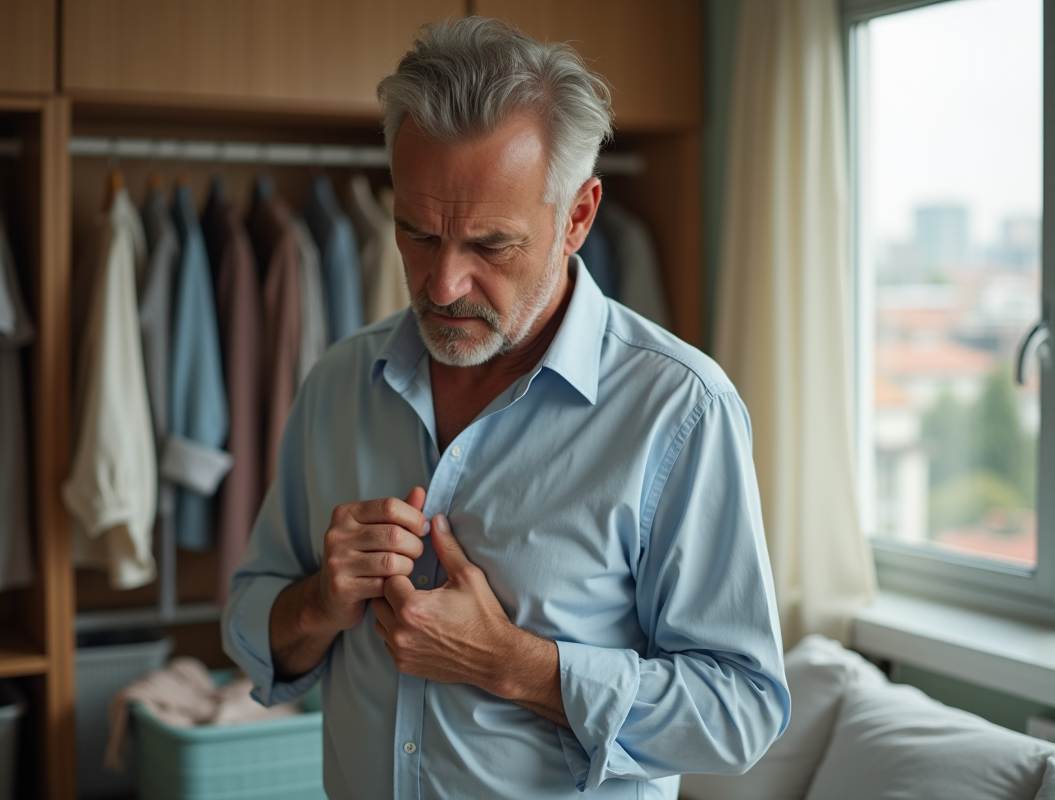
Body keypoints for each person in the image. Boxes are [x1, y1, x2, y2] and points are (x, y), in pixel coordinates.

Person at [222, 16, 789, 800]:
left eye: (490, 246)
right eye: (417, 234)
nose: (444, 284)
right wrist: (320, 600)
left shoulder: (680, 412)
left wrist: (514, 663)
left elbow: (741, 714)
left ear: (579, 217)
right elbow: (250, 628)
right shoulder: (337, 383)